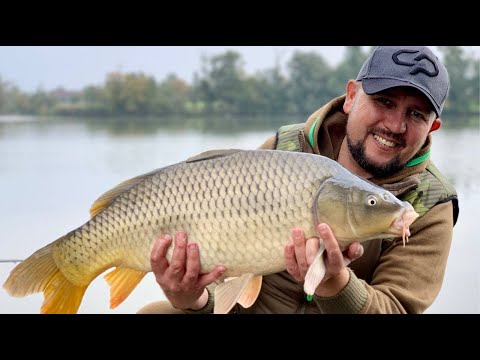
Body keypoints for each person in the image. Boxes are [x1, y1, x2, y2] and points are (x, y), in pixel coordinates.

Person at [137, 46, 459, 314]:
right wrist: (191, 298)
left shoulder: (428, 204)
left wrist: (335, 283)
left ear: (432, 127)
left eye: (416, 114)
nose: (395, 124)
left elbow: (395, 308)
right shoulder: (284, 152)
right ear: (351, 97)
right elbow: (226, 281)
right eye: (384, 101)